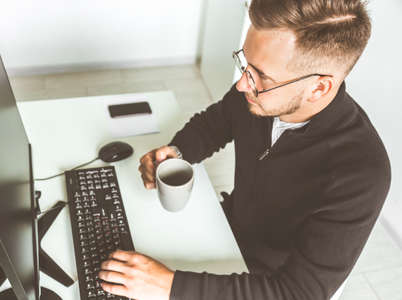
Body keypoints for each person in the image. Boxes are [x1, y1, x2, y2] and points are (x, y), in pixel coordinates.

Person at [98, 0, 392, 299]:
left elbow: (296, 292)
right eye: (245, 63)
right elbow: (218, 122)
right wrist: (177, 150)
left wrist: (168, 285)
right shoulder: (259, 93)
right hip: (231, 231)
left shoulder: (362, 173)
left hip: (271, 283)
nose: (242, 84)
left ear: (319, 88)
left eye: (260, 75)